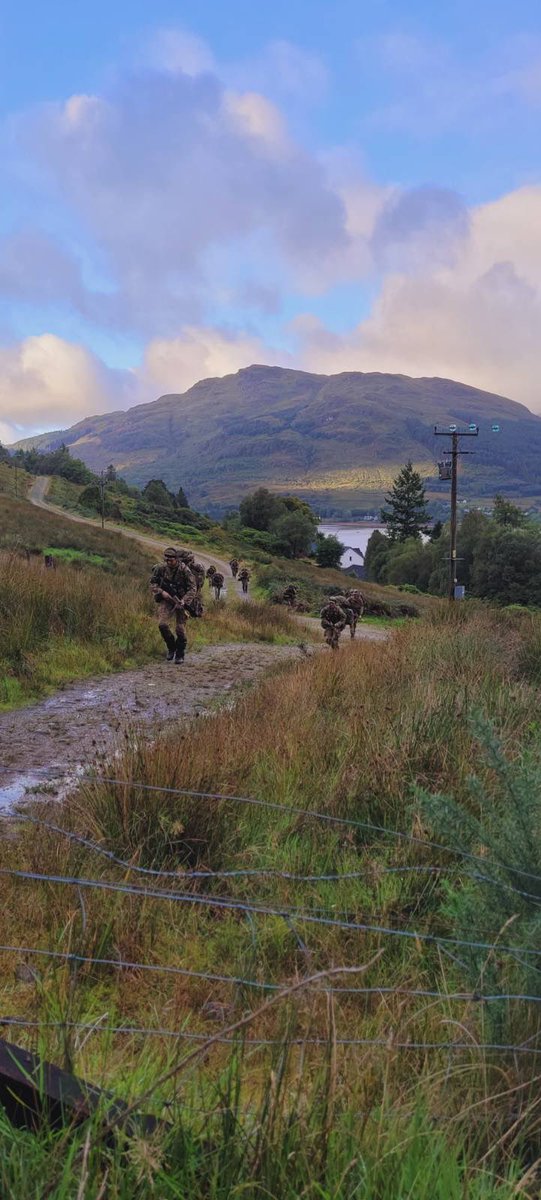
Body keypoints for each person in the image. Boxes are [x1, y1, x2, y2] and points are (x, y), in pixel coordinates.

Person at [150, 548, 197, 663]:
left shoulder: (184, 570)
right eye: (167, 560)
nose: (168, 562)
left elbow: (192, 588)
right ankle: (171, 648)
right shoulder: (160, 568)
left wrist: (184, 601)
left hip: (181, 600)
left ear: (176, 559)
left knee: (180, 629)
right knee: (162, 625)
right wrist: (162, 592)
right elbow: (152, 583)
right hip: (166, 600)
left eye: (171, 560)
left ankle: (180, 654)